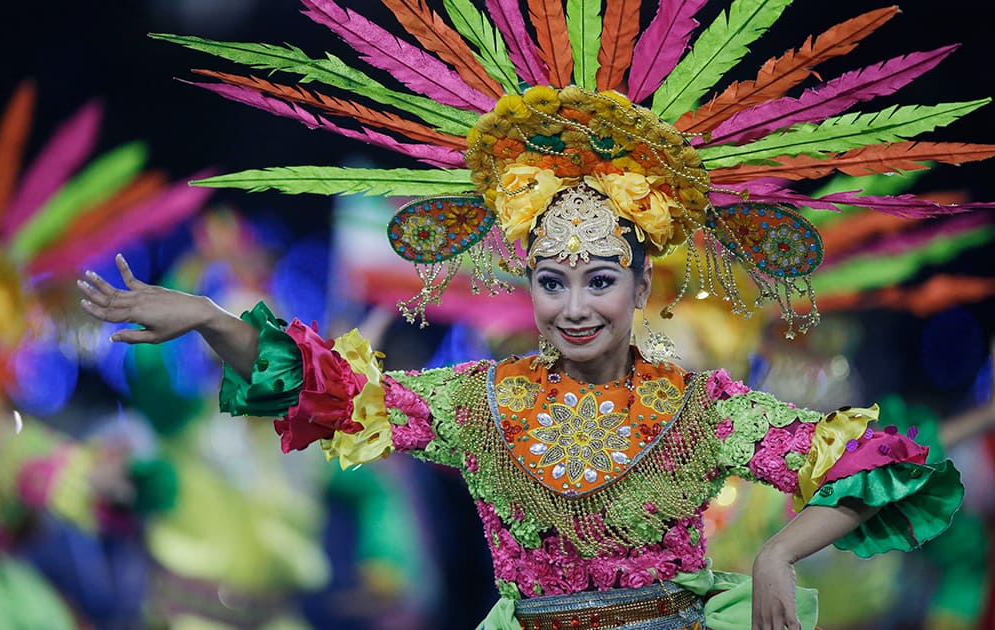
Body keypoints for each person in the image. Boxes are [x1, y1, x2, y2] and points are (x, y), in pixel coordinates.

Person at [80, 3, 990, 627]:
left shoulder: (704, 411)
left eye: (601, 280)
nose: (575, 306)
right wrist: (208, 315)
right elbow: (329, 393)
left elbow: (887, 465)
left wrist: (776, 554)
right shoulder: (479, 404)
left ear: (640, 290)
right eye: (552, 281)